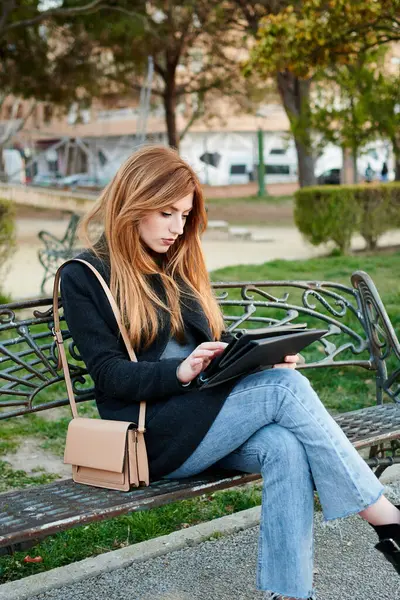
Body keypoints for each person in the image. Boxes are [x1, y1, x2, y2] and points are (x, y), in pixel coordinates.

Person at [60, 145, 400, 600]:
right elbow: (108, 375)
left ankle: (290, 593)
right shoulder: (85, 275)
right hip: (151, 436)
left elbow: (212, 341)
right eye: (166, 213)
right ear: (134, 201)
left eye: (184, 215)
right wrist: (180, 372)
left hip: (205, 422)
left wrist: (257, 357)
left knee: (284, 446)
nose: (177, 228)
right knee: (283, 389)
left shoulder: (174, 262)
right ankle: (388, 519)